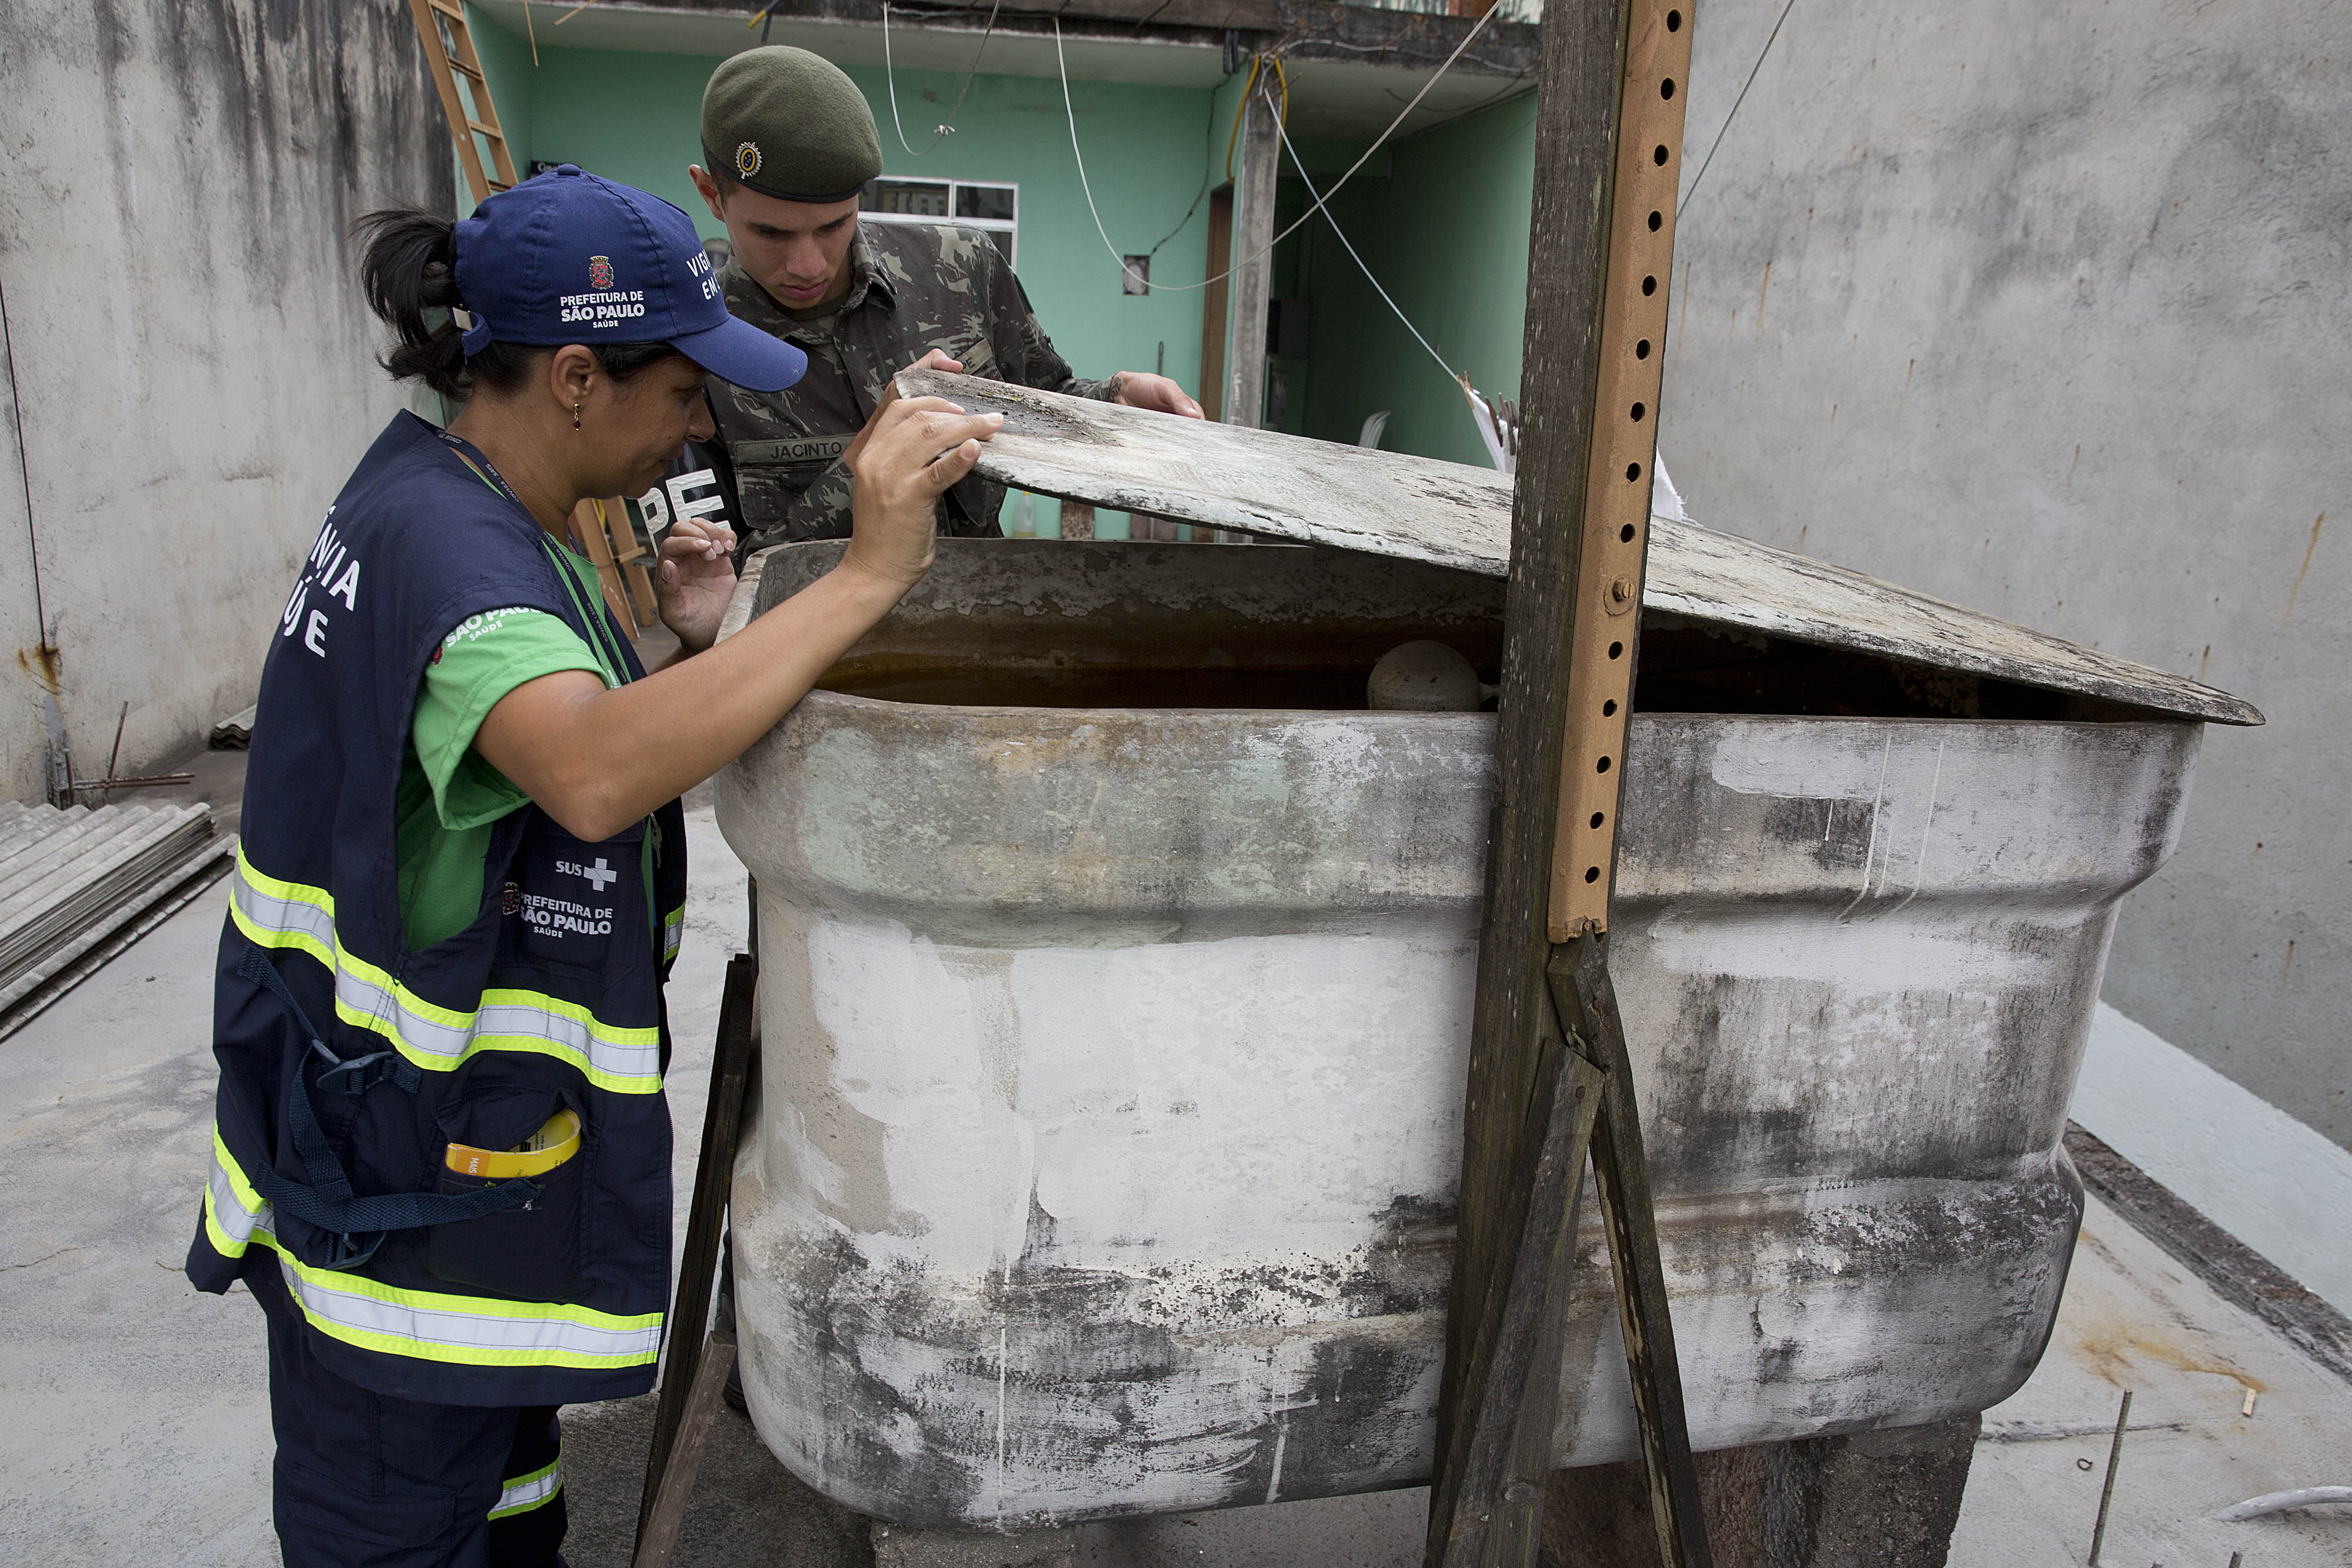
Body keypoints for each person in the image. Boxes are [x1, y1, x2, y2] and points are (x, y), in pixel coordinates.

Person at [184, 165, 998, 1567]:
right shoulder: (461, 558)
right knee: (404, 1524)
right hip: (397, 1212)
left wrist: (692, 644)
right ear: (573, 376)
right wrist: (868, 574)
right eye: (682, 391)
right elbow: (590, 767)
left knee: (505, 1509)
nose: (698, 422)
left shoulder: (451, 499)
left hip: (421, 1172)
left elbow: (532, 743)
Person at [663, 45, 1202, 554]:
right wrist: (866, 465)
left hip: (985, 628)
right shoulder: (691, 357)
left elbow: (1043, 398)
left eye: (834, 226)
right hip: (825, 652)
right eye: (772, 234)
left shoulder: (961, 266)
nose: (809, 265)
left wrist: (1114, 403)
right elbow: (718, 587)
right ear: (711, 194)